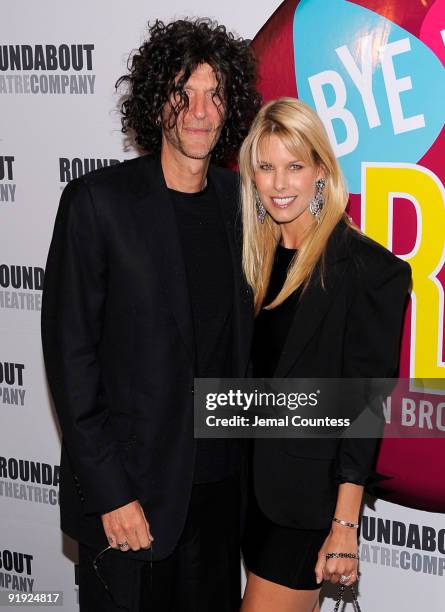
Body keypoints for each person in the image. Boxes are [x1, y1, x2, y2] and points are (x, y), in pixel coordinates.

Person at [41, 18, 261, 612]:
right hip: (132, 504)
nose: (199, 110)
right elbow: (71, 359)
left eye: (215, 94)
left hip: (218, 504)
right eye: (182, 91)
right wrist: (109, 494)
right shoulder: (97, 203)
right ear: (155, 100)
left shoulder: (242, 205)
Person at [238, 98, 411, 612]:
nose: (280, 183)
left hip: (304, 508)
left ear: (321, 171)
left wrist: (344, 525)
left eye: (295, 166)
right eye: (266, 167)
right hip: (244, 494)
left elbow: (363, 407)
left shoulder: (367, 272)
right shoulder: (251, 257)